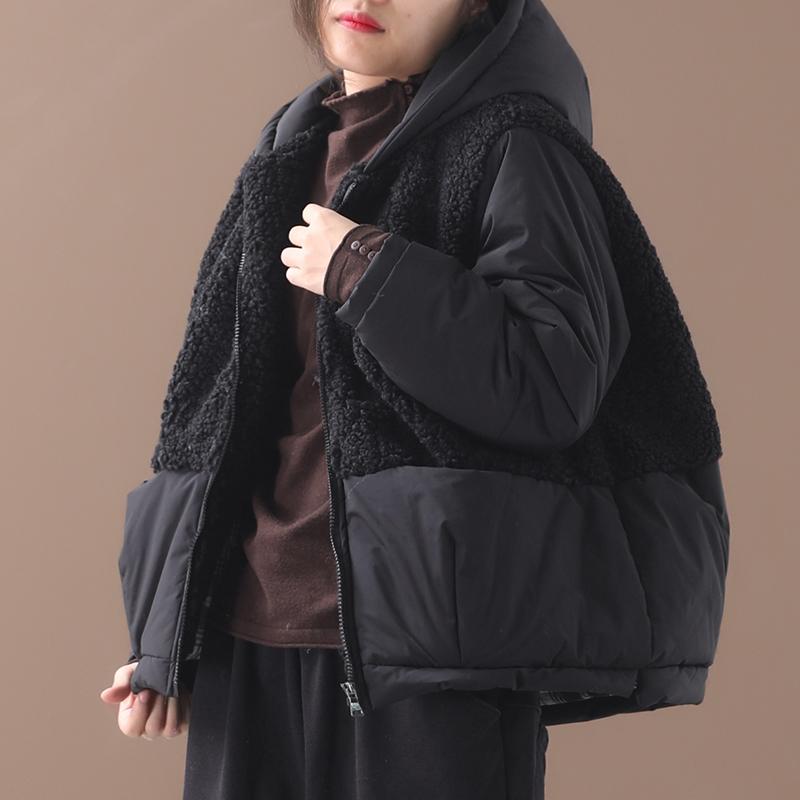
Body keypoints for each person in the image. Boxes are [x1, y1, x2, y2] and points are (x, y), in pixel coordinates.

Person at [100, 1, 730, 798]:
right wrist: (170, 638)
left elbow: (551, 381)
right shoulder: (288, 148)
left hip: (429, 650)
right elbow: (215, 407)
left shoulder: (517, 144)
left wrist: (365, 269)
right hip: (245, 641)